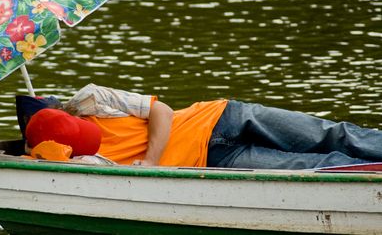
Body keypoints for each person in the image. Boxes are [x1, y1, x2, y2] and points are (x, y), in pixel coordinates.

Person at [20, 83, 382, 169]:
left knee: (330, 134)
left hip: (221, 116)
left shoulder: (89, 98)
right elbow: (32, 164)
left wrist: (152, 160)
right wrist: (35, 151)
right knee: (314, 168)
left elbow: (160, 110)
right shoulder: (58, 157)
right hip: (213, 162)